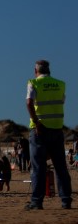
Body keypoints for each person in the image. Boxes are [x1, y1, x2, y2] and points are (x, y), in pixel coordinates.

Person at [24, 59, 72, 210]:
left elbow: (29, 102)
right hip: (57, 128)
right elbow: (61, 102)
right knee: (60, 167)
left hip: (40, 129)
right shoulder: (60, 84)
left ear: (35, 71)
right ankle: (66, 200)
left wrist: (37, 122)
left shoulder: (33, 82)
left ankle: (37, 202)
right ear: (49, 70)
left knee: (38, 167)